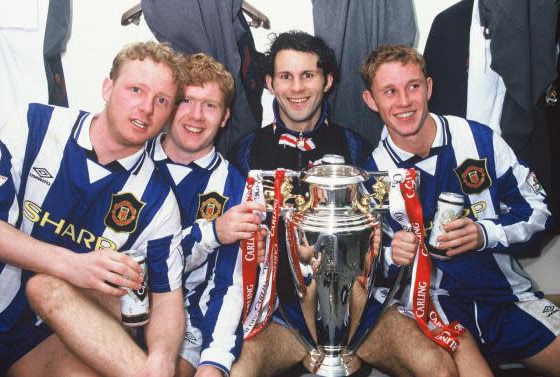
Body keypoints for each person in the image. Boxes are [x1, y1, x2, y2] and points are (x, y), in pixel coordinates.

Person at [231, 30, 464, 377]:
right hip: (278, 313)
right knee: (236, 370)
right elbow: (232, 239)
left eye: (308, 75)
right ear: (270, 82)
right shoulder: (245, 151)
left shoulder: (358, 149)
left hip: (356, 311)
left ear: (327, 81)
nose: (296, 88)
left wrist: (396, 249)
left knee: (439, 368)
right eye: (285, 76)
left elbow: (384, 236)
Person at [361, 44, 560, 376]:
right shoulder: (374, 175)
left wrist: (485, 233)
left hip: (506, 297)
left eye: (413, 86)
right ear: (371, 101)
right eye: (390, 91)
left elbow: (538, 209)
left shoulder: (478, 138)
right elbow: (367, 268)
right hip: (436, 305)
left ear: (429, 87)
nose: (405, 101)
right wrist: (389, 254)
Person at [0, 41, 186, 377]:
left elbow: (167, 300)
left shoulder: (159, 203)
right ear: (107, 88)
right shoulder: (33, 126)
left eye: (161, 101)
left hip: (40, 339)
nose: (145, 108)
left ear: (169, 115)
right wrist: (72, 265)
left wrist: (161, 358)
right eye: (136, 90)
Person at [146, 52, 267, 377]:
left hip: (187, 326)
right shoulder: (134, 158)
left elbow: (229, 285)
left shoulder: (236, 186)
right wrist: (210, 233)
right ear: (170, 105)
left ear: (225, 117)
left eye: (210, 105)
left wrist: (214, 363)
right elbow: (131, 260)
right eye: (186, 101)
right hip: (118, 306)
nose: (196, 116)